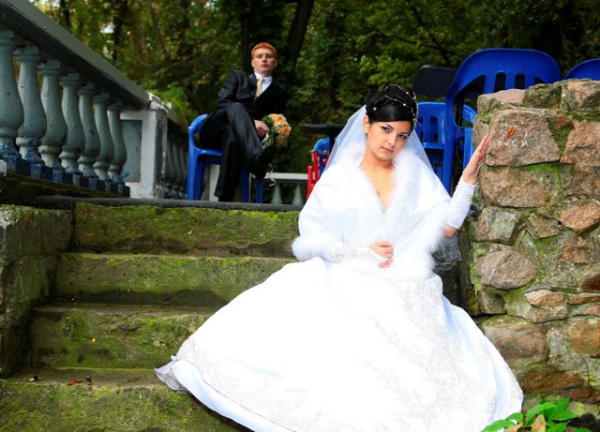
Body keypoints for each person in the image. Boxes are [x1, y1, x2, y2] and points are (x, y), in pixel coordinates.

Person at [156, 85, 523, 431]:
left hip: (402, 278)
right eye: (385, 130)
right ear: (366, 124)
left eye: (401, 136)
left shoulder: (414, 176)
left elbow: (445, 228)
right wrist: (360, 253)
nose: (392, 142)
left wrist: (468, 179)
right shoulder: (340, 178)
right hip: (350, 270)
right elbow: (314, 237)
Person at [198, 42, 290, 201]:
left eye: (268, 57)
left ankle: (224, 199)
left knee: (233, 136)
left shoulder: (280, 93)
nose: (264, 59)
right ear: (253, 62)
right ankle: (255, 157)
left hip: (240, 140)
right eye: (259, 56)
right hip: (215, 131)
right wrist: (252, 121)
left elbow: (273, 121)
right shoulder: (237, 77)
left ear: (275, 62)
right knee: (236, 106)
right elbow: (222, 103)